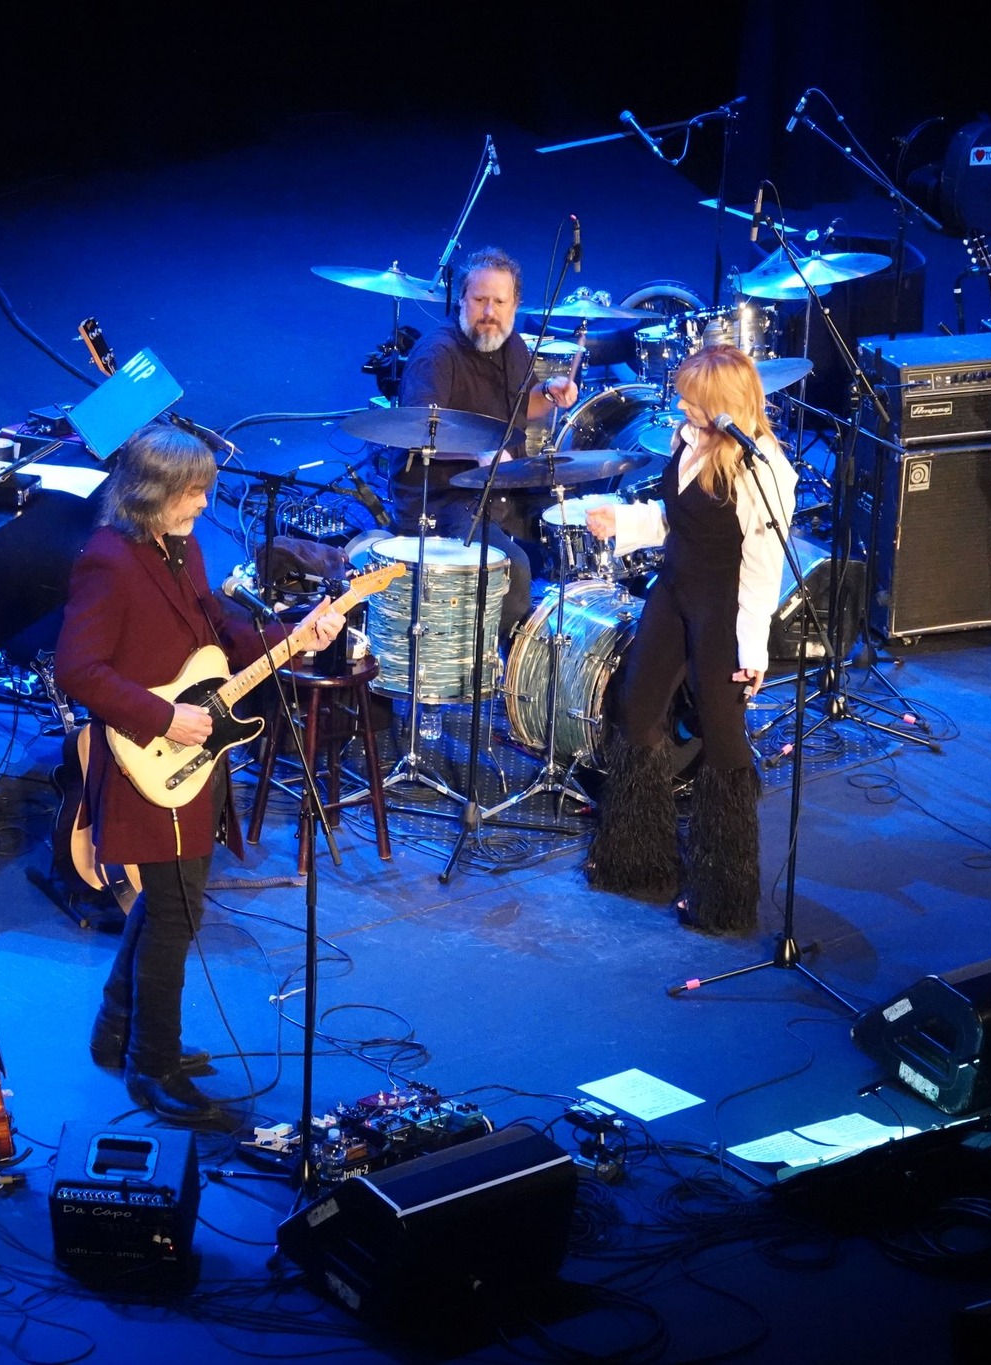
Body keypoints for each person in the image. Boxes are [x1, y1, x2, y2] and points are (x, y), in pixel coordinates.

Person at [57, 422, 344, 1126]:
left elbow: (217, 632)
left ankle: (118, 1030)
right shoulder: (108, 558)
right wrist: (161, 717)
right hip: (149, 758)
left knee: (170, 903)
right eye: (192, 493)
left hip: (194, 756)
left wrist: (295, 635)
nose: (202, 505)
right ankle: (153, 1067)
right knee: (177, 911)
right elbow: (77, 669)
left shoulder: (179, 546)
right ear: (152, 491)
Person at [581, 346, 795, 935]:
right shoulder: (687, 439)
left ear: (723, 404)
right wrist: (622, 521)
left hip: (720, 611)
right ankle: (640, 863)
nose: (679, 403)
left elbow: (761, 570)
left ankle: (724, 898)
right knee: (637, 709)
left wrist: (752, 651)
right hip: (673, 592)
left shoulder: (765, 471)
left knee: (724, 745)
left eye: (690, 396)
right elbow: (680, 521)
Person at [390, 246, 578, 634]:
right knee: (513, 567)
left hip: (501, 489)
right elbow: (415, 432)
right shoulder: (436, 355)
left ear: (514, 305)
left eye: (499, 302)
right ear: (462, 299)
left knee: (575, 528)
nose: (489, 313)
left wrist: (550, 393)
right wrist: (481, 451)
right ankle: (491, 668)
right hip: (443, 498)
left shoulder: (514, 347)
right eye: (479, 300)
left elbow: (523, 407)